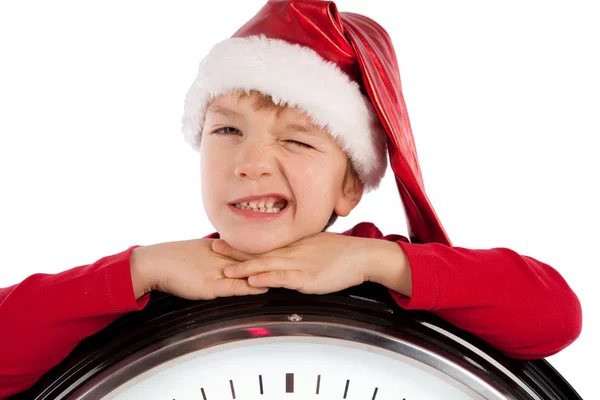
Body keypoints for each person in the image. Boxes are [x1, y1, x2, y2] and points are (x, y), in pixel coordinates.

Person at [0, 0, 582, 398]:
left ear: (351, 184)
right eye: (226, 131)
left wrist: (381, 263)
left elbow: (554, 316)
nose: (250, 163)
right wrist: (139, 270)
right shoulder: (159, 284)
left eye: (298, 140)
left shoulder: (392, 273)